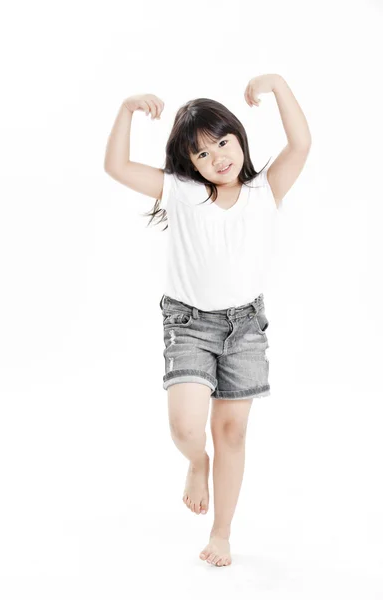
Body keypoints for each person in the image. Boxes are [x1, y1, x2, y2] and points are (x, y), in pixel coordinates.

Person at [104, 74, 312, 567]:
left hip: (245, 327)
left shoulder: (265, 189)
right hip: (190, 323)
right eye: (201, 153)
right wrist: (126, 110)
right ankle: (196, 463)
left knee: (233, 432)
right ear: (188, 163)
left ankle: (221, 533)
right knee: (185, 426)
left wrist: (278, 86)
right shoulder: (179, 191)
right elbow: (114, 166)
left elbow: (301, 143)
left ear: (239, 138)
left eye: (223, 141)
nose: (218, 156)